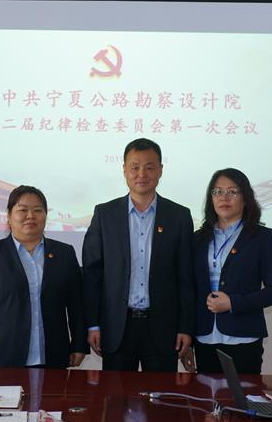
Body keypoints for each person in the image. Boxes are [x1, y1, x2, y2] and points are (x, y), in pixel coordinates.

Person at [82, 138, 195, 372]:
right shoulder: (105, 214)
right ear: (124, 170)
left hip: (163, 327)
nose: (142, 174)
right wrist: (93, 324)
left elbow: (186, 277)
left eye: (149, 167)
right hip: (117, 327)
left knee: (161, 394)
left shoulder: (179, 216)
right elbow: (92, 275)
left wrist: (186, 327)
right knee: (115, 394)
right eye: (135, 167)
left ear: (160, 170)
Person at [0, 185, 87, 369]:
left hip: (53, 354)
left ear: (45, 215)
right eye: (22, 210)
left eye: (38, 210)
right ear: (9, 215)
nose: (31, 216)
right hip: (3, 354)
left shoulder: (64, 253)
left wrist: (79, 344)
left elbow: (77, 304)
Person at [193, 168, 272, 374]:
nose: (224, 197)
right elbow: (189, 289)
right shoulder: (198, 238)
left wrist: (233, 303)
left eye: (232, 191)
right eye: (217, 191)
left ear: (246, 198)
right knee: (206, 394)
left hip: (243, 336)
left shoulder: (261, 237)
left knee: (243, 394)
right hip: (204, 337)